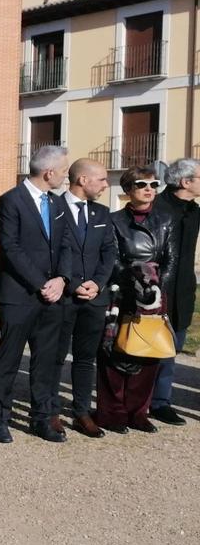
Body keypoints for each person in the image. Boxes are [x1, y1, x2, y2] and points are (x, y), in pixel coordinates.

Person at [0, 144, 74, 444]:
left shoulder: (58, 203)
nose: (66, 176)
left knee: (46, 361)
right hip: (18, 295)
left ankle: (42, 419)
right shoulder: (10, 201)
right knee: (9, 359)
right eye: (64, 171)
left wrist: (62, 279)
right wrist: (42, 283)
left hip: (53, 296)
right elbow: (10, 248)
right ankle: (0, 418)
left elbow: (66, 244)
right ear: (49, 172)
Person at [98, 166, 176, 433]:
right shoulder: (114, 220)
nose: (148, 189)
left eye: (154, 185)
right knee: (115, 351)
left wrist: (155, 285)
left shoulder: (166, 220)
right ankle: (112, 412)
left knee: (149, 350)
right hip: (122, 293)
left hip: (153, 296)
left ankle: (138, 412)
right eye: (142, 184)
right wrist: (134, 281)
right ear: (128, 189)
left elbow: (170, 261)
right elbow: (113, 258)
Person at [57, 158, 118, 438]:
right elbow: (54, 251)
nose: (106, 185)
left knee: (85, 358)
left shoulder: (102, 214)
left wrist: (97, 283)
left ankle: (81, 411)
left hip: (94, 298)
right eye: (102, 179)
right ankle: (48, 411)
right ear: (83, 180)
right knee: (54, 356)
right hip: (63, 297)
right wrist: (74, 284)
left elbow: (109, 253)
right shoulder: (53, 208)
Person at [150, 157, 200, 425]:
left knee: (172, 348)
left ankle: (161, 402)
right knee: (146, 347)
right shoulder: (156, 207)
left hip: (183, 291)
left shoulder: (195, 212)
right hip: (155, 289)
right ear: (186, 181)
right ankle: (139, 400)